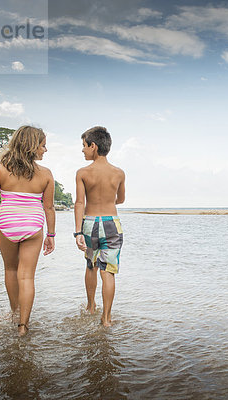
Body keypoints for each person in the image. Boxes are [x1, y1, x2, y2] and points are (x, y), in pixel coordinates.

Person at [0, 125, 55, 336]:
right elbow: (48, 207)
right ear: (31, 146)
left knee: (10, 270)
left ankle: (14, 313)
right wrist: (51, 235)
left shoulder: (0, 167)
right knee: (26, 276)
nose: (45, 150)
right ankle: (23, 325)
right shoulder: (45, 174)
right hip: (33, 227)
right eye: (43, 145)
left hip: (8, 225)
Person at [74, 126, 125, 327]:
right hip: (112, 224)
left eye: (84, 146)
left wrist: (77, 231)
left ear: (93, 146)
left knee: (91, 266)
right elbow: (120, 199)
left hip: (90, 224)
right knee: (108, 271)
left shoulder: (83, 173)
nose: (83, 150)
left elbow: (79, 203)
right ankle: (106, 319)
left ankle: (90, 306)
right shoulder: (119, 173)